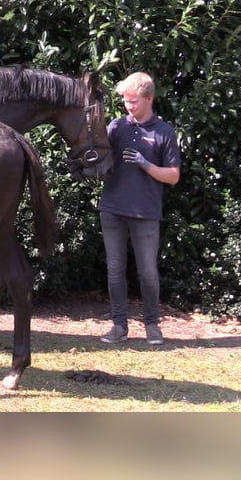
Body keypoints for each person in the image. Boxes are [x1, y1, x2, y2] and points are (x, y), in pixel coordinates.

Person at [98, 71, 181, 345]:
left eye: (134, 101)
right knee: (115, 270)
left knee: (147, 271)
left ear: (149, 98)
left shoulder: (164, 132)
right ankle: (119, 326)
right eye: (125, 100)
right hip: (112, 208)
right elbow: (102, 163)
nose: (129, 106)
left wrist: (145, 164)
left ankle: (152, 324)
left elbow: (173, 176)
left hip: (145, 212)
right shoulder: (116, 127)